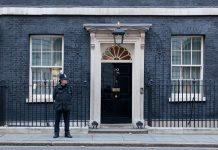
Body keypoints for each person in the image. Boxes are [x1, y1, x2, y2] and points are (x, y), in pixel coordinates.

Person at [53, 73, 72, 138]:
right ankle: (56, 133)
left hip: (67, 106)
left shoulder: (69, 88)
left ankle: (67, 133)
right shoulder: (56, 88)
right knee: (57, 121)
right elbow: (54, 97)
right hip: (58, 106)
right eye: (64, 79)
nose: (66, 80)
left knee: (67, 121)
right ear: (61, 80)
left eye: (66, 79)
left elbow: (71, 96)